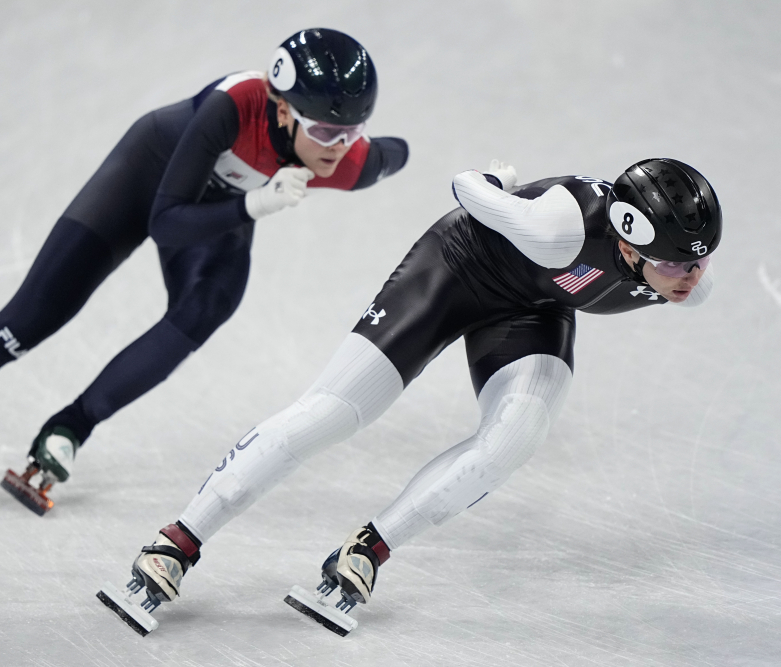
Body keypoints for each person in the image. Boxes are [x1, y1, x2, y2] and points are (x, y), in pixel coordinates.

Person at [0, 28, 409, 515]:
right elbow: (166, 221)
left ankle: (69, 427)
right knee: (30, 318)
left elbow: (394, 153)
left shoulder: (346, 159)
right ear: (280, 108)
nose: (338, 145)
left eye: (352, 130)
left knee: (207, 308)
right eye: (326, 129)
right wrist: (254, 203)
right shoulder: (234, 106)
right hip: (149, 178)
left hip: (219, 208)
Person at [109, 158, 721, 635]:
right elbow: (466, 186)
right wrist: (495, 180)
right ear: (629, 245)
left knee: (515, 437)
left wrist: (681, 272)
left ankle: (366, 551)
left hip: (534, 306)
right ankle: (176, 541)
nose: (693, 278)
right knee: (333, 412)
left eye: (698, 263)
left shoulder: (684, 273)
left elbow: (680, 276)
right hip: (457, 268)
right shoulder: (559, 224)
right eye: (679, 266)